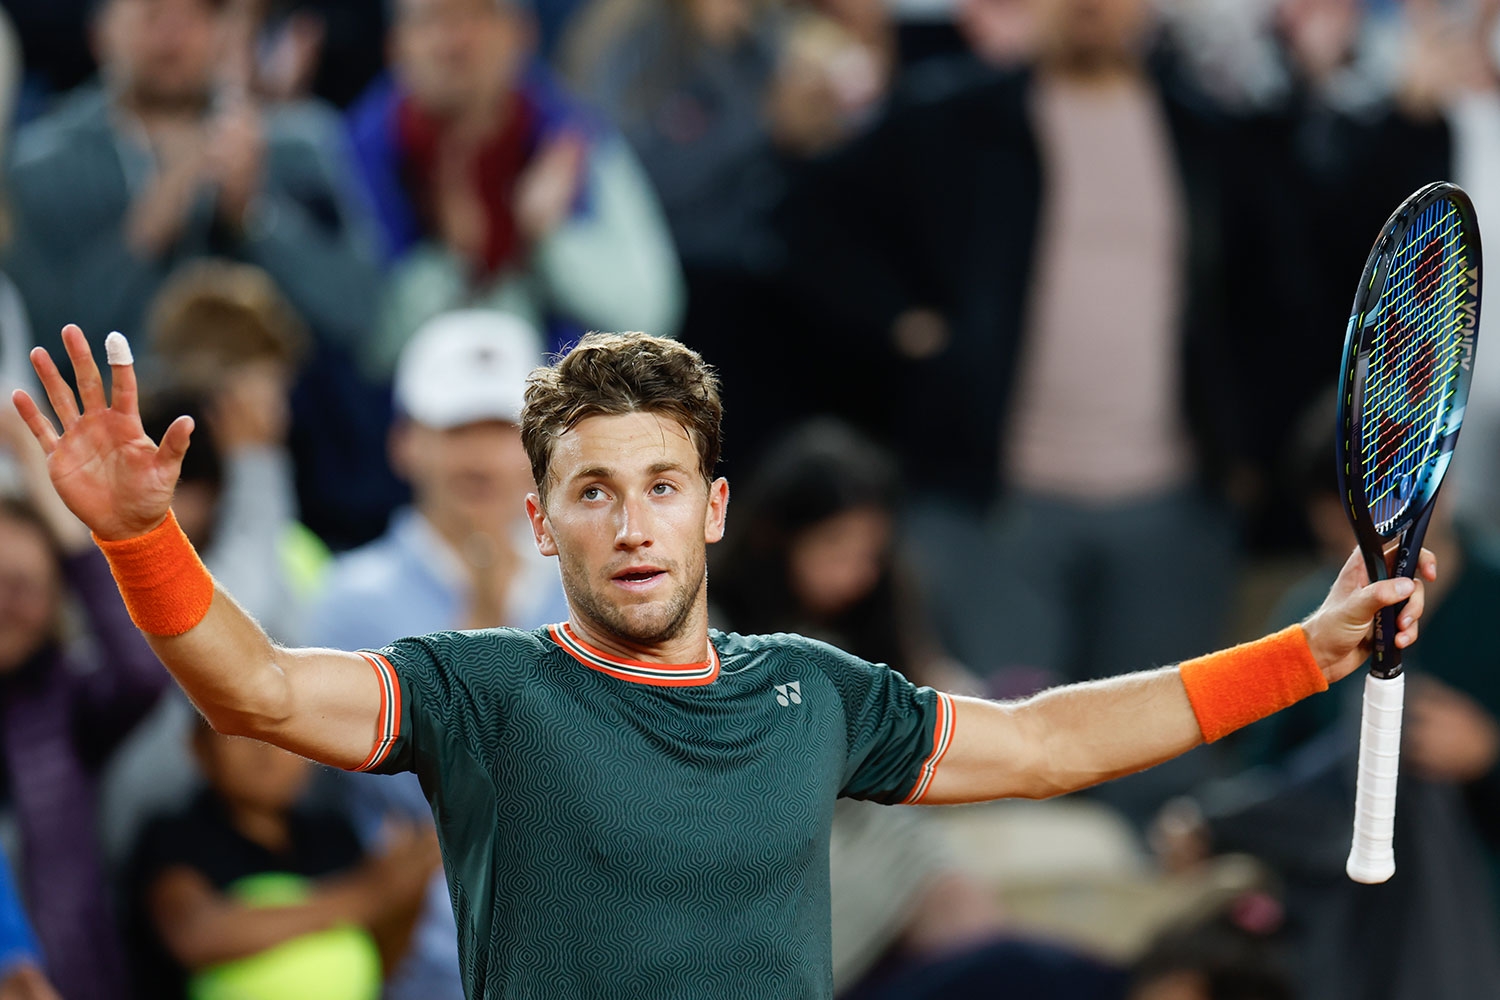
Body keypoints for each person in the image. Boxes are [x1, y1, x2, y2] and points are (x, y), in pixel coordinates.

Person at [12, 324, 1432, 999]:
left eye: (662, 485)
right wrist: (144, 540)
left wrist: (1306, 657)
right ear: (541, 521)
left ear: (715, 509)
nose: (632, 523)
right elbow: (254, 688)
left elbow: (1054, 743)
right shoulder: (476, 691)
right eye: (593, 491)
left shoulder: (815, 692)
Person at [305, 308, 567, 1000]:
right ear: (404, 444)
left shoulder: (607, 587)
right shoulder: (346, 603)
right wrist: (479, 625)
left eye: (500, 433)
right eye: (454, 431)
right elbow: (385, 796)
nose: (479, 458)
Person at [347, 0, 683, 376]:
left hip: (563, 415)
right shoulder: (354, 161)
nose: (454, 42)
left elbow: (651, 311)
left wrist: (547, 238)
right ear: (395, 45)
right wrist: (455, 264)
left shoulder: (577, 143)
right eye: (431, 21)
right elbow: (362, 350)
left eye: (476, 16)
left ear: (522, 33)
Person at [0, 407, 169, 1000]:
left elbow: (143, 674)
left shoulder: (65, 704)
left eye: (23, 587)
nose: (4, 605)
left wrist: (61, 504)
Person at [127, 713, 440, 999]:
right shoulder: (175, 836)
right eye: (240, 732)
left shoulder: (333, 834)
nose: (266, 751)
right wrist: (368, 894)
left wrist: (408, 891)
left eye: (283, 731)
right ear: (199, 747)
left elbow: (374, 961)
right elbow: (195, 934)